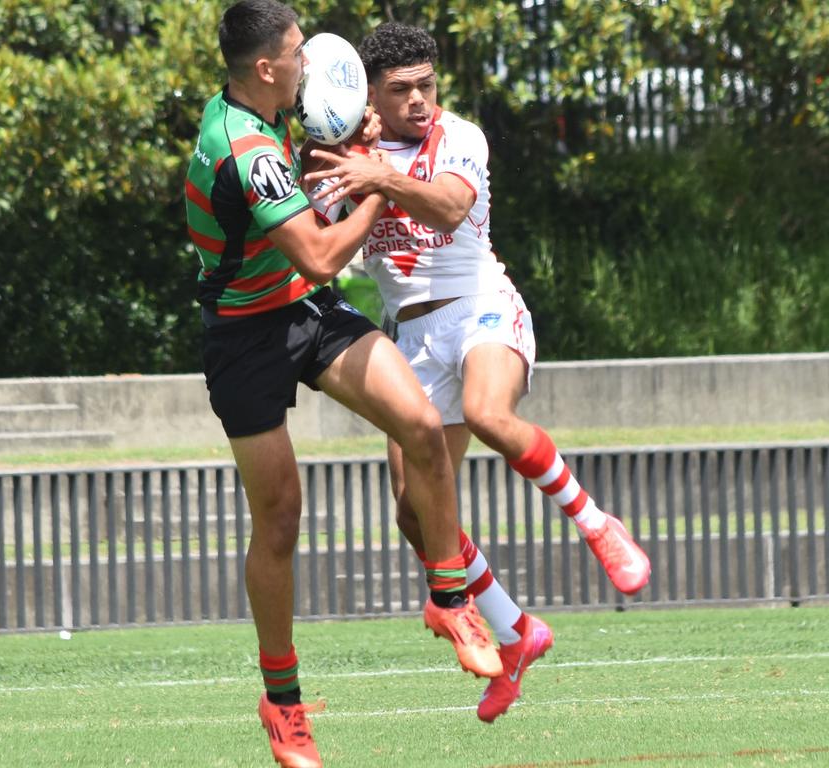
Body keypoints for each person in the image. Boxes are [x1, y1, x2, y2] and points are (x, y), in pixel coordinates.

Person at [305, 22, 652, 723]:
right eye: (400, 90)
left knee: (491, 413)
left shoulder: (460, 137)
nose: (418, 101)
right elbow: (321, 245)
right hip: (413, 335)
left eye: (426, 85)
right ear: (369, 93)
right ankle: (517, 632)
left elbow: (452, 205)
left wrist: (379, 174)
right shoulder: (344, 157)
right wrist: (349, 167)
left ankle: (595, 524)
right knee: (414, 513)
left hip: (481, 307)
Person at [184, 5, 502, 766]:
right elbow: (324, 256)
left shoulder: (266, 111)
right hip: (244, 333)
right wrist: (380, 187)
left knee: (421, 426)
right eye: (298, 54)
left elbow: (308, 263)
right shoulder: (245, 144)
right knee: (281, 519)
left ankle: (451, 599)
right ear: (267, 69)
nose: (311, 64)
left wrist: (352, 157)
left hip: (304, 309)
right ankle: (284, 704)